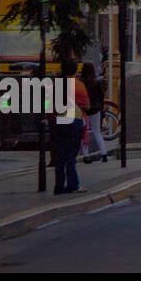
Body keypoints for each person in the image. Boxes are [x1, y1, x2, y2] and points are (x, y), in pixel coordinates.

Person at [53, 61, 89, 195]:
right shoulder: (79, 85)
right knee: (71, 155)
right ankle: (73, 185)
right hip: (74, 119)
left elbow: (48, 104)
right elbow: (86, 105)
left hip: (60, 120)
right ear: (75, 71)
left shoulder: (56, 85)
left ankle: (58, 186)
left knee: (60, 155)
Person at [79, 62, 109, 163]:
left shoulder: (81, 82)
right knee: (97, 132)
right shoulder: (96, 82)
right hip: (95, 109)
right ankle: (104, 154)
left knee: (84, 132)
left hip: (83, 109)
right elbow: (101, 95)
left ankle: (86, 155)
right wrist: (100, 106)